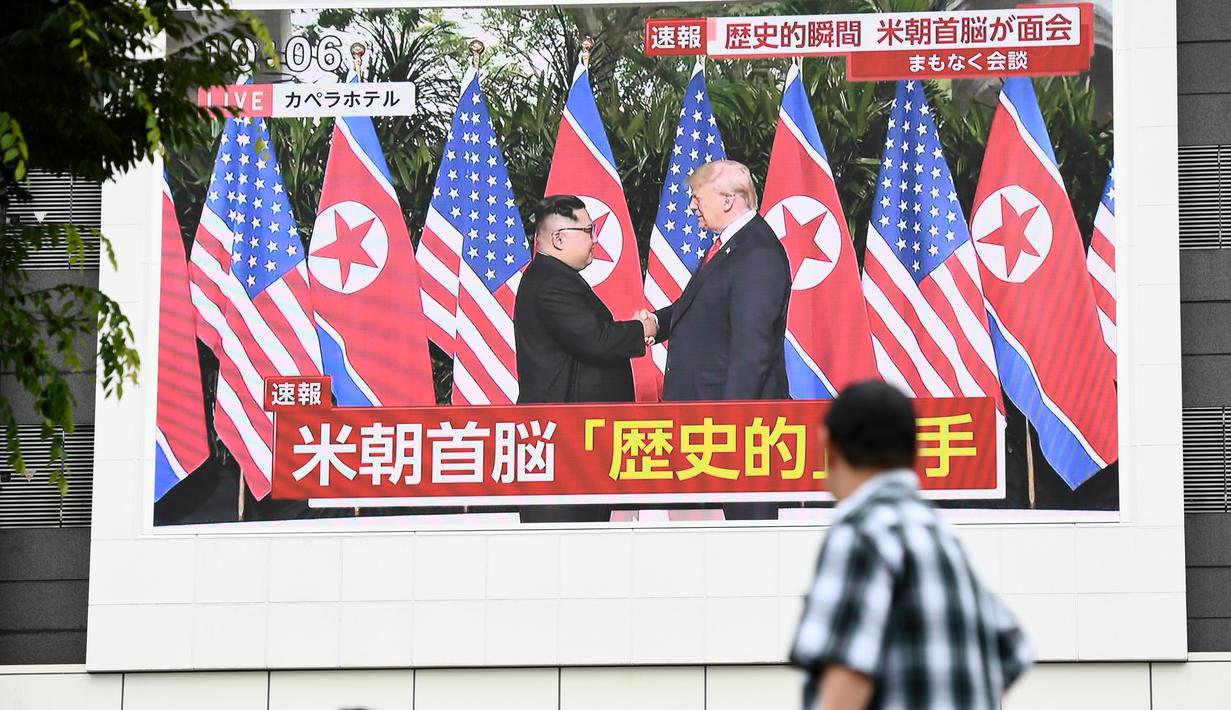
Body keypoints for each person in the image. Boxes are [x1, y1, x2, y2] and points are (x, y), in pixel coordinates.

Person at [790, 381, 1032, 710]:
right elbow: (1012, 651)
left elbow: (848, 676)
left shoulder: (863, 532)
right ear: (916, 453)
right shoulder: (943, 538)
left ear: (828, 447)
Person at [638, 159, 791, 401]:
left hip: (723, 411)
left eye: (697, 198)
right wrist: (656, 323)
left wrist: (730, 416)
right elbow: (699, 307)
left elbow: (751, 353)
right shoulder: (731, 244)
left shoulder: (757, 254)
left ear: (727, 200)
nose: (692, 206)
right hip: (703, 407)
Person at [514, 194, 656, 404]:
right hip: (564, 417)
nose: (595, 239)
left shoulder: (553, 276)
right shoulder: (551, 283)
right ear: (558, 239)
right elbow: (596, 340)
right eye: (589, 231)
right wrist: (641, 329)